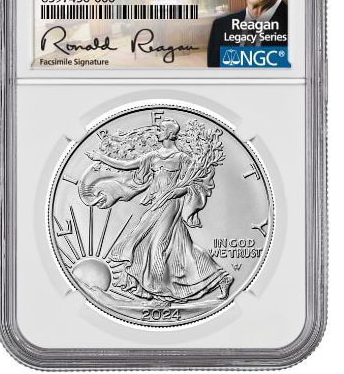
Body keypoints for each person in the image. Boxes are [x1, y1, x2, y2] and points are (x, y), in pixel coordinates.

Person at [82, 119, 233, 303]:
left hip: (172, 204)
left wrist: (180, 190)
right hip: (156, 203)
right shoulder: (152, 156)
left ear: (169, 134)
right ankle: (220, 277)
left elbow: (196, 183)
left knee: (157, 245)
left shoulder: (182, 158)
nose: (157, 133)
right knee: (176, 247)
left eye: (161, 130)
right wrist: (101, 158)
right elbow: (126, 165)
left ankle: (160, 291)